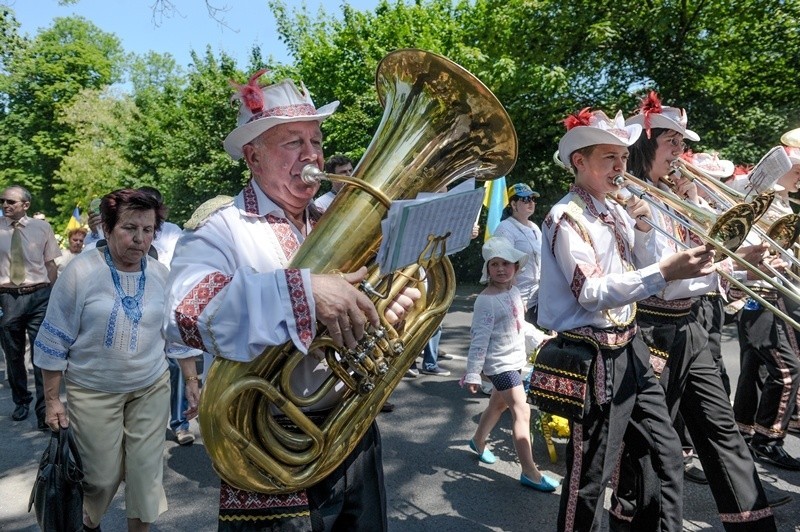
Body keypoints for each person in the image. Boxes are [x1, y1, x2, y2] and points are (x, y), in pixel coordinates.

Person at [164, 70, 418, 531]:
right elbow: (186, 311)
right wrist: (301, 292)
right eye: (293, 143)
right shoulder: (224, 227)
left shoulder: (333, 218)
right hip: (269, 442)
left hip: (354, 430)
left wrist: (383, 314)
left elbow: (366, 307)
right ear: (253, 156)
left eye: (316, 141)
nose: (312, 155)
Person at [538, 106, 716, 531]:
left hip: (631, 342)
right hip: (594, 352)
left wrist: (643, 226)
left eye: (622, 157)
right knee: (590, 476)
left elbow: (637, 268)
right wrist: (664, 271)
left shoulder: (614, 209)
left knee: (665, 451)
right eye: (608, 158)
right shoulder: (567, 217)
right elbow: (592, 292)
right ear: (579, 162)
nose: (621, 167)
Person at [609, 92, 775, 530]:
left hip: (691, 326)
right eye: (672, 143)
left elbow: (699, 273)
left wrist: (740, 263)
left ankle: (755, 525)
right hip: (651, 331)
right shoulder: (628, 198)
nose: (681, 153)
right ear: (645, 144)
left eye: (682, 144)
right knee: (647, 447)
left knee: (722, 433)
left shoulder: (679, 195)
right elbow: (653, 270)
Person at [34, 189, 175, 532]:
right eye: (130, 228)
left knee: (145, 474)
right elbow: (53, 340)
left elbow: (174, 334)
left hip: (150, 386)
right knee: (100, 477)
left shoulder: (160, 275)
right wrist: (52, 401)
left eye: (148, 229)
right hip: (93, 389)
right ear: (108, 228)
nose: (139, 238)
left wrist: (195, 381)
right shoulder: (81, 272)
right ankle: (88, 520)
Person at [462, 236, 556, 491]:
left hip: (515, 360)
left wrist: (541, 338)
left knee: (498, 404)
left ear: (516, 267)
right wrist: (472, 373)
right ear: (487, 268)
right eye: (495, 264)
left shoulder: (513, 292)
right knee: (521, 409)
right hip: (499, 364)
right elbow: (479, 338)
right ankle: (529, 471)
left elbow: (519, 325)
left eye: (506, 263)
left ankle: (478, 440)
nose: (501, 269)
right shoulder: (486, 300)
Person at [732, 146, 800, 469]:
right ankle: (768, 440)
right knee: (788, 370)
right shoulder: (764, 197)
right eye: (797, 168)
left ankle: (745, 432)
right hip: (756, 293)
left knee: (754, 368)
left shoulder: (783, 201)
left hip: (766, 292)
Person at [0, 185, 60, 430]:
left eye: (10, 202)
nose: (5, 205)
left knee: (41, 355)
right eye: (2, 201)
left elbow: (51, 265)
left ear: (25, 205)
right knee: (13, 355)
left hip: (39, 295)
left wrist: (54, 298)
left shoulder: (42, 228)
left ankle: (43, 409)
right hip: (7, 298)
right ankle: (21, 400)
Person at [493, 182, 542, 322]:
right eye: (525, 199)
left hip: (537, 297)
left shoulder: (535, 228)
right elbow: (503, 266)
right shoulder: (505, 229)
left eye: (533, 199)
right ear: (513, 205)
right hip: (518, 298)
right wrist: (515, 298)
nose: (531, 203)